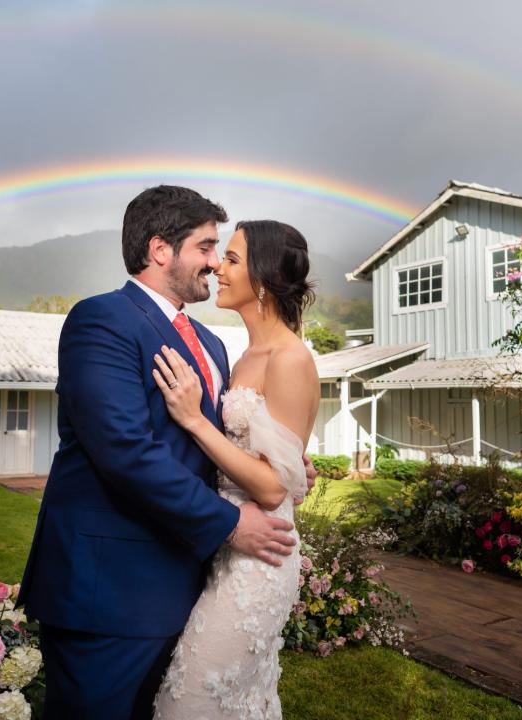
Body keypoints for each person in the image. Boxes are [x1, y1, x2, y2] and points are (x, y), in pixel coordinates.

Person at [16, 186, 315, 720]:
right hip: (109, 588)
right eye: (205, 247)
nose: (213, 264)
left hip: (186, 580)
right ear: (160, 250)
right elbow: (125, 452)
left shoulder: (213, 343)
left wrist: (282, 462)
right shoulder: (102, 320)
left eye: (223, 251)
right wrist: (230, 522)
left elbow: (223, 438)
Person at [151, 220, 319, 719]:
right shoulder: (239, 356)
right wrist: (294, 469)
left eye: (232, 259)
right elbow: (272, 460)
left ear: (263, 278)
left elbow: (270, 489)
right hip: (225, 546)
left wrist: (195, 420)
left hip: (260, 558)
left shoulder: (290, 358)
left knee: (192, 700)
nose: (217, 269)